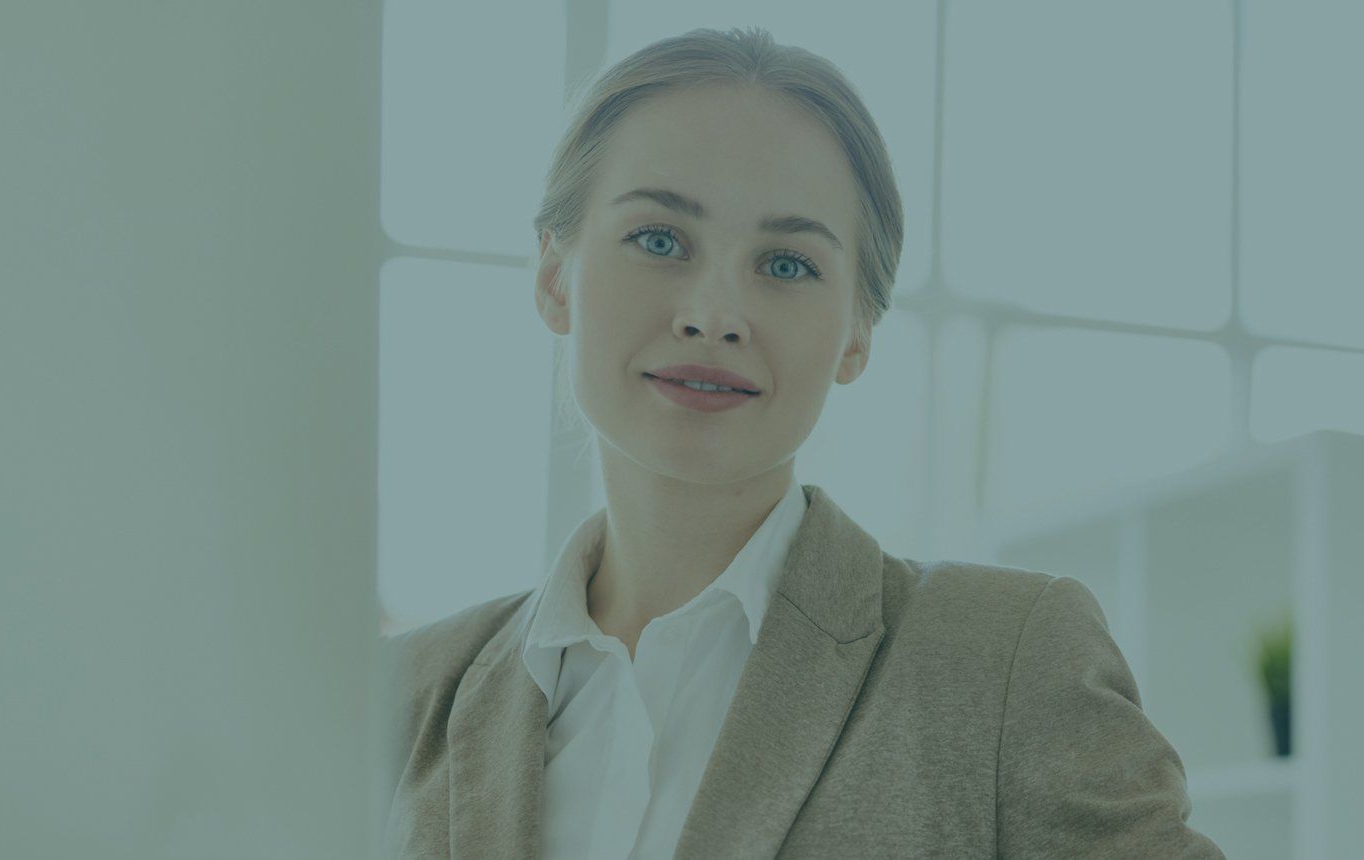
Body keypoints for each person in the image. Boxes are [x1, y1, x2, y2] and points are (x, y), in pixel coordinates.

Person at [379, 25, 1224, 859]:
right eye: (659, 240)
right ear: (554, 275)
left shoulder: (1007, 662)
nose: (713, 315)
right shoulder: (399, 697)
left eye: (786, 264)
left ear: (858, 331)